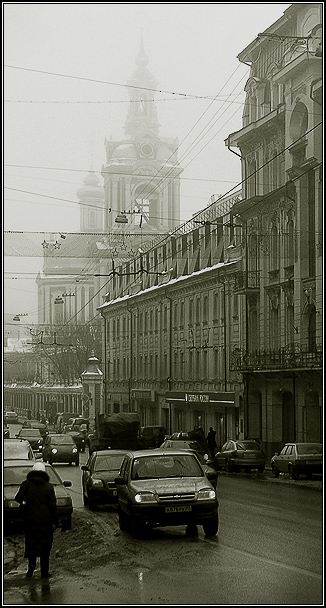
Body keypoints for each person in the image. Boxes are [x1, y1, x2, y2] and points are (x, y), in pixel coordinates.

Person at [15, 461, 58, 579]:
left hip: (29, 520)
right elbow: (52, 506)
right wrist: (55, 521)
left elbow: (17, 498)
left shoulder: (26, 484)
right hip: (45, 521)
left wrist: (25, 500)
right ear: (44, 473)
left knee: (31, 543)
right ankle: (44, 572)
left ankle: (31, 566)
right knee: (45, 546)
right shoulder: (49, 487)